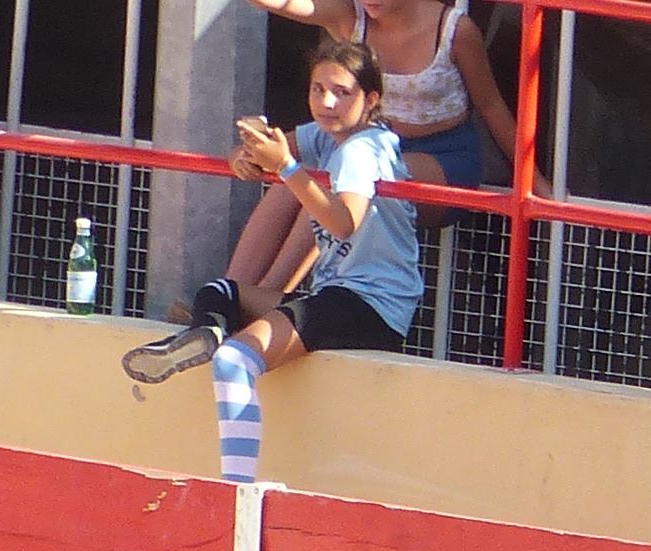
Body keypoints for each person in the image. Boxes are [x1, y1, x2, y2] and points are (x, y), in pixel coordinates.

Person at [121, 42, 420, 481]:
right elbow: (272, 153)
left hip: (370, 307)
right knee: (219, 291)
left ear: (371, 100)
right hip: (336, 296)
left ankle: (238, 491)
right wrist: (246, 156)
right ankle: (207, 331)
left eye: (341, 92)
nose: (327, 103)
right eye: (318, 90)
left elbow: (343, 223)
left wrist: (285, 169)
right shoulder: (330, 135)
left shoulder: (360, 150)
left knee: (233, 362)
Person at [241, 0, 511, 193]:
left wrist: (533, 184)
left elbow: (491, 106)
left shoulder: (455, 29)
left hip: (444, 156)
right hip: (366, 147)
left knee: (336, 175)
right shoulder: (350, 16)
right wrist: (244, 158)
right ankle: (238, 277)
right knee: (301, 179)